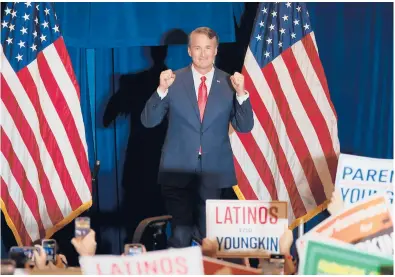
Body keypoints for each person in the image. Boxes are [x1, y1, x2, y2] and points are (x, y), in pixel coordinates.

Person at [141, 27, 254, 248]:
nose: (203, 54)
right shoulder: (173, 80)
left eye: (208, 48)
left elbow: (245, 126)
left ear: (216, 50)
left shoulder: (230, 83)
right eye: (198, 48)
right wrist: (161, 90)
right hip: (177, 172)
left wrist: (241, 94)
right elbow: (149, 121)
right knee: (181, 235)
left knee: (209, 239)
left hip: (214, 175)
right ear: (189, 51)